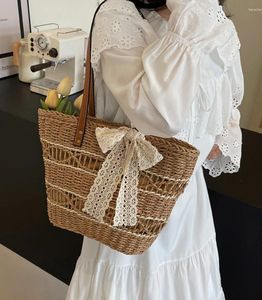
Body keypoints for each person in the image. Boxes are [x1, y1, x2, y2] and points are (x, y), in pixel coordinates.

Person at [66, 0, 244, 299]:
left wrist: (219, 132)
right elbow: (161, 116)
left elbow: (227, 92)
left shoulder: (202, 16)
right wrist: (191, 12)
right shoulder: (120, 14)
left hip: (186, 204)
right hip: (129, 199)